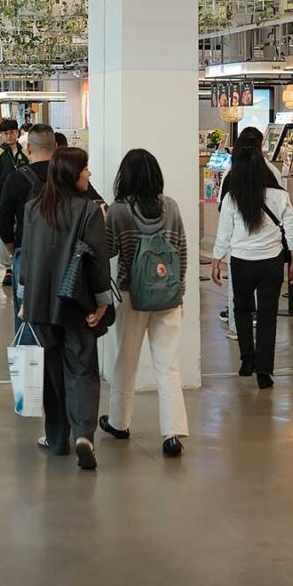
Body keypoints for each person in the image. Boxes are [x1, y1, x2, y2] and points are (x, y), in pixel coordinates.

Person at [19, 147, 110, 470]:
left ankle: (57, 439)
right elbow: (99, 261)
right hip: (77, 302)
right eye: (85, 169)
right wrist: (102, 303)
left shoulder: (32, 209)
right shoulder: (88, 212)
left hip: (40, 304)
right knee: (82, 368)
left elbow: (25, 257)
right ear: (72, 174)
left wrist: (23, 299)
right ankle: (84, 434)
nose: (89, 174)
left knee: (52, 372)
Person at [101, 149, 188, 457]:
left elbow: (108, 250)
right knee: (168, 364)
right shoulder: (172, 207)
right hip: (168, 295)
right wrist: (180, 291)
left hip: (131, 294)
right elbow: (181, 251)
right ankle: (172, 434)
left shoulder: (119, 210)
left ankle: (119, 422)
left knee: (126, 360)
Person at [211, 141, 293, 389]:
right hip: (271, 262)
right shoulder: (280, 195)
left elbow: (224, 233)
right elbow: (291, 231)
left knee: (241, 309)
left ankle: (247, 360)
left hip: (241, 261)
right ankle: (264, 371)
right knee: (267, 315)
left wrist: (216, 260)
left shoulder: (232, 197)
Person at [0, 124, 57, 329]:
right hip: (63, 255)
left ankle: (28, 359)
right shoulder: (66, 176)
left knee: (26, 318)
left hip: (27, 255)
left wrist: (16, 252)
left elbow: (4, 225)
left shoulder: (15, 178)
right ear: (56, 147)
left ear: (29, 148)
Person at [0, 118, 29, 287]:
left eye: (12, 132)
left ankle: (21, 262)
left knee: (22, 230)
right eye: (5, 133)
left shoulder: (25, 154)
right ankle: (8, 268)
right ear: (1, 135)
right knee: (2, 233)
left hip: (24, 202)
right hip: (2, 201)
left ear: (17, 133)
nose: (9, 136)